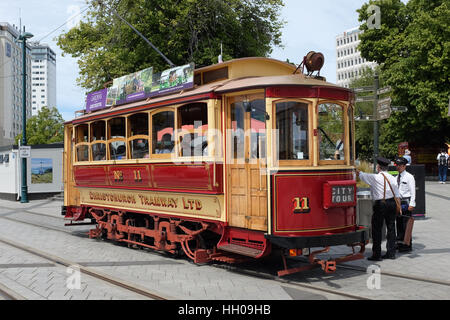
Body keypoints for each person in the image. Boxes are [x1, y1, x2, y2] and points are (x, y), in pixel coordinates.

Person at [356, 156, 401, 261]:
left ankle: (377, 254)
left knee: (377, 229)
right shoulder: (392, 178)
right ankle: (391, 253)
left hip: (381, 204)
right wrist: (398, 207)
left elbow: (361, 175)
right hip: (392, 203)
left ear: (378, 167)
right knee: (391, 228)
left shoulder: (375, 177)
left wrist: (356, 171)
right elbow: (397, 194)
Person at [394, 156, 416, 252]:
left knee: (406, 224)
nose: (398, 167)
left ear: (404, 166)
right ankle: (399, 243)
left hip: (406, 202)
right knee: (398, 224)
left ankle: (407, 245)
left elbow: (413, 192)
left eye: (400, 165)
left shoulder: (409, 177)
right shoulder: (396, 177)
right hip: (398, 203)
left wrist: (412, 204)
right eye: (397, 165)